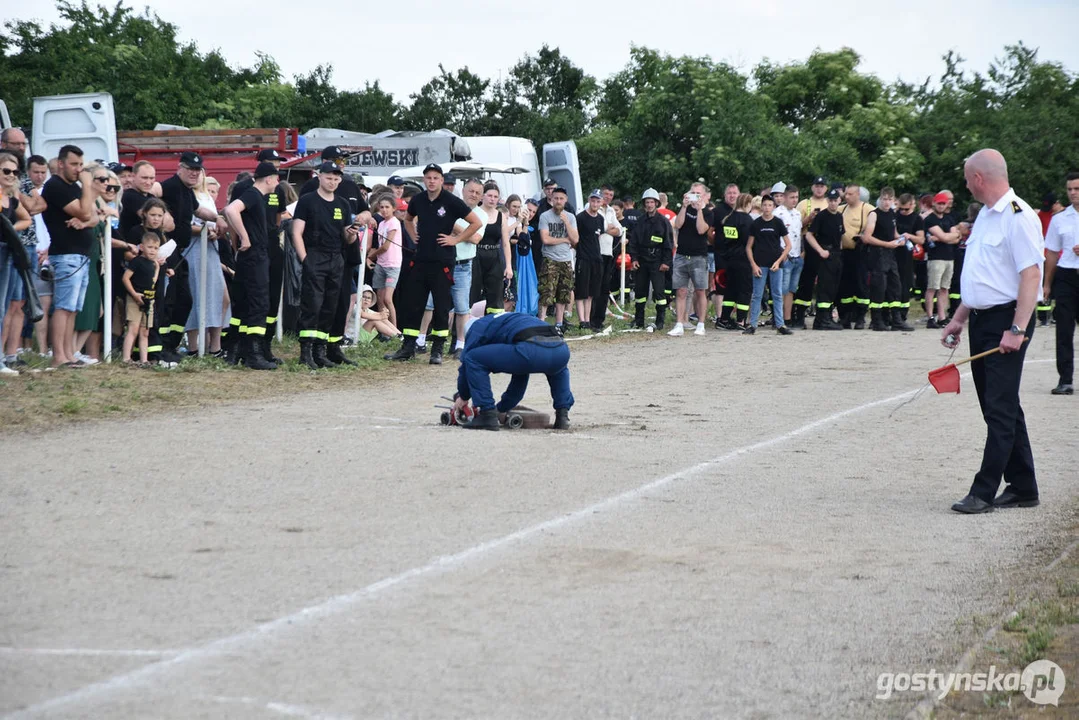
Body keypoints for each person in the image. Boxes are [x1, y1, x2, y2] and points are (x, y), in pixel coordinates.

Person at [943, 149, 1044, 514]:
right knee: (997, 405)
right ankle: (1023, 486)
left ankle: (983, 491)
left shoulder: (1018, 216)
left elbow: (1030, 275)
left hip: (1007, 319)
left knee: (999, 408)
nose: (966, 185)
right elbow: (983, 275)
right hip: (983, 318)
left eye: (968, 178)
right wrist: (959, 316)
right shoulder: (986, 215)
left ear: (980, 178)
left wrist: (1017, 328)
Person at [386, 163, 482, 364]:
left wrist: (455, 239)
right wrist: (414, 236)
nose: (432, 181)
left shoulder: (451, 201)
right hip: (421, 259)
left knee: (441, 305)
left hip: (443, 261)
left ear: (441, 180)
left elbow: (476, 223)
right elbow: (408, 219)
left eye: (435, 178)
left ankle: (437, 349)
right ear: (424, 180)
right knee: (414, 304)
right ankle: (408, 347)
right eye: (428, 178)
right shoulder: (419, 200)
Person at [291, 161, 361, 369]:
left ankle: (320, 352)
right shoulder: (307, 201)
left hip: (336, 258)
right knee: (312, 304)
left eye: (336, 178)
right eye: (328, 177)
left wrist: (351, 234)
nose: (332, 182)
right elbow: (296, 232)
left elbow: (348, 238)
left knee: (330, 306)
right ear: (319, 177)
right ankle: (306, 352)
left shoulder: (342, 203)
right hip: (314, 255)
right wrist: (305, 259)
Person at [452, 311, 574, 431]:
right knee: (558, 369)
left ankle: (486, 414)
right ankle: (562, 416)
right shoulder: (507, 319)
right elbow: (519, 378)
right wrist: (500, 409)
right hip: (561, 350)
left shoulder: (476, 328)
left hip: (530, 350)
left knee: (473, 358)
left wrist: (463, 396)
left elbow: (467, 364)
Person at [40, 145, 97, 369]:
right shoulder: (56, 186)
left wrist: (84, 221)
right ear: (61, 163)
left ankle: (69, 354)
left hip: (81, 255)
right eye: (74, 164)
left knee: (73, 308)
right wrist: (87, 186)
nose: (78, 169)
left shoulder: (74, 187)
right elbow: (84, 210)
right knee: (63, 307)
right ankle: (58, 356)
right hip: (65, 254)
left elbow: (92, 216)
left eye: (81, 165)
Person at [158, 151, 220, 359]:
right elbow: (151, 195)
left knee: (184, 300)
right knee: (169, 301)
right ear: (180, 168)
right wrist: (163, 214)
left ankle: (172, 345)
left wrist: (217, 218)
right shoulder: (170, 185)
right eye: (190, 169)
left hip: (180, 251)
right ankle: (161, 347)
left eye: (197, 170)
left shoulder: (187, 191)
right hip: (166, 249)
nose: (194, 174)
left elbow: (198, 211)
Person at [223, 161, 281, 370]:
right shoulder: (254, 194)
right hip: (255, 255)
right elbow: (230, 210)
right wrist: (245, 237)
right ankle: (254, 354)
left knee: (245, 302)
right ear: (268, 179)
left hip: (253, 256)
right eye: (276, 177)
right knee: (259, 302)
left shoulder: (257, 196)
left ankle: (237, 350)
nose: (277, 182)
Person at [1042, 171, 1079, 396]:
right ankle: (1065, 379)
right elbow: (1053, 253)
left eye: (1077, 189)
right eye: (1070, 189)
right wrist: (1047, 284)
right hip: (1066, 276)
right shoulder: (1059, 219)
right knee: (1064, 330)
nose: (1073, 193)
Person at [183, 171, 227, 356]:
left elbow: (214, 221)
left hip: (211, 248)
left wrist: (215, 232)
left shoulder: (206, 196)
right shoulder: (187, 195)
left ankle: (215, 345)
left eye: (200, 172)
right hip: (193, 249)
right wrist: (201, 231)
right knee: (195, 294)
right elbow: (184, 223)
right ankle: (193, 346)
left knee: (220, 296)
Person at [862, 187, 913, 332]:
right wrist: (887, 244)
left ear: (893, 200)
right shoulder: (874, 214)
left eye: (890, 199)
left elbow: (894, 233)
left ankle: (896, 320)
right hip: (878, 254)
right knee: (879, 287)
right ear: (880, 199)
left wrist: (902, 238)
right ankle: (877, 320)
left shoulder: (892, 213)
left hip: (890, 255)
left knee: (895, 286)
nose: (887, 202)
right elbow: (867, 237)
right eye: (884, 199)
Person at [0, 153, 33, 375]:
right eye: (6, 171)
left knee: (5, 306)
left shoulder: (11, 198)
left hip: (7, 252)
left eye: (15, 172)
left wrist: (11, 230)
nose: (12, 175)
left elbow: (26, 218)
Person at [745, 194, 793, 335]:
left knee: (777, 294)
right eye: (764, 205)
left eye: (769, 205)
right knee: (757, 295)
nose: (767, 208)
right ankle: (752, 325)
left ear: (773, 207)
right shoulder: (756, 224)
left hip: (775, 265)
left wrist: (779, 261)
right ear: (761, 206)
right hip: (760, 264)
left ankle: (780, 325)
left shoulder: (778, 223)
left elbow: (788, 245)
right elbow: (748, 247)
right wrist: (753, 265)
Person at [537, 186, 579, 334]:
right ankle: (540, 323)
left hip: (566, 260)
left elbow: (575, 240)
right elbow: (545, 239)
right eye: (556, 198)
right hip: (550, 259)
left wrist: (566, 223)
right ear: (551, 199)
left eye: (561, 198)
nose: (558, 201)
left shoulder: (570, 217)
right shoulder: (545, 216)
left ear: (566, 200)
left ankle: (559, 324)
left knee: (563, 293)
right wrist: (564, 239)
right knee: (546, 292)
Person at [803, 188, 845, 330]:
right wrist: (820, 250)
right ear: (827, 201)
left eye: (836, 200)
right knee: (824, 288)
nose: (833, 203)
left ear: (840, 201)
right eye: (831, 200)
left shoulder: (839, 216)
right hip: (825, 254)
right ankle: (822, 320)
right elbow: (809, 235)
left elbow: (840, 237)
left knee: (833, 287)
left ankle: (826, 317)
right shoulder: (822, 216)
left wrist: (839, 252)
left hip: (836, 255)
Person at [471, 181, 514, 315]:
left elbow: (506, 243)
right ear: (483, 196)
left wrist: (508, 266)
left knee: (495, 296)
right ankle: (463, 330)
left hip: (494, 256)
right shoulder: (474, 213)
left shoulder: (501, 216)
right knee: (472, 294)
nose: (492, 199)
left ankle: (493, 327)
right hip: (476, 255)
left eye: (495, 197)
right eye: (489, 195)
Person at [793, 176, 831, 326]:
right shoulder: (804, 204)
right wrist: (809, 218)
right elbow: (795, 228)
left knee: (826, 282)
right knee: (806, 282)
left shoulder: (831, 203)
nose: (819, 188)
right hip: (808, 244)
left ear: (826, 188)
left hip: (826, 245)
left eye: (822, 186)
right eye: (817, 185)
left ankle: (823, 317)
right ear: (812, 187)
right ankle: (799, 316)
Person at [715, 193, 754, 330]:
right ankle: (741, 320)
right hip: (744, 259)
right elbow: (749, 241)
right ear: (747, 204)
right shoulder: (747, 220)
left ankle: (724, 319)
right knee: (744, 290)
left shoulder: (728, 219)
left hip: (729, 259)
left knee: (730, 290)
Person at [121, 231, 160, 365]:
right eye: (150, 247)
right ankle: (126, 358)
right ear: (142, 247)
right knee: (133, 328)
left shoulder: (153, 264)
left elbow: (153, 281)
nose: (153, 251)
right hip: (136, 299)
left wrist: (158, 267)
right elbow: (126, 278)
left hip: (149, 300)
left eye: (156, 248)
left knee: (145, 331)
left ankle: (144, 360)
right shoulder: (137, 261)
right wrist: (134, 294)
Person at [837, 184, 873, 329]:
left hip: (861, 252)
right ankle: (845, 316)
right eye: (846, 194)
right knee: (845, 286)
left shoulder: (868, 209)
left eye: (850, 194)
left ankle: (860, 317)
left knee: (861, 285)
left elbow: (875, 226)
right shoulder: (841, 209)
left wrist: (864, 235)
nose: (847, 196)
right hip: (844, 253)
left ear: (858, 194)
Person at [924, 192, 961, 329]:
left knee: (945, 288)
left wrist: (941, 237)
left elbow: (957, 237)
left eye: (943, 203)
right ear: (934, 203)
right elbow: (948, 237)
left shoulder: (949, 219)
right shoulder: (930, 220)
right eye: (938, 203)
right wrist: (946, 237)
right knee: (932, 287)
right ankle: (930, 317)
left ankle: (942, 317)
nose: (940, 206)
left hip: (949, 257)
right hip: (936, 258)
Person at [574, 189, 606, 330]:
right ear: (589, 201)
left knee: (592, 292)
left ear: (601, 203)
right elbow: (574, 238)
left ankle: (588, 319)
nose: (595, 203)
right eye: (593, 200)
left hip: (596, 258)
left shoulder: (600, 219)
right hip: (583, 258)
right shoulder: (580, 217)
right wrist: (579, 250)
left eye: (598, 201)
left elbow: (598, 237)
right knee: (581, 290)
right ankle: (582, 321)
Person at [368, 196, 402, 328]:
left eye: (387, 207)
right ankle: (384, 329)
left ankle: (395, 331)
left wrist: (371, 256)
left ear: (393, 208)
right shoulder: (381, 224)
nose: (384, 210)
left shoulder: (394, 222)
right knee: (380, 299)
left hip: (392, 264)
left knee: (388, 298)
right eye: (381, 207)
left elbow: (386, 246)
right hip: (381, 264)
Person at [895, 193, 925, 324]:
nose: (903, 211)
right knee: (892, 285)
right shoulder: (895, 216)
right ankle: (891, 314)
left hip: (907, 256)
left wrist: (909, 236)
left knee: (905, 285)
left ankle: (903, 314)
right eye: (901, 209)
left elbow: (921, 239)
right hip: (892, 253)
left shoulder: (917, 219)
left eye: (906, 209)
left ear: (913, 205)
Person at [775, 185, 803, 328]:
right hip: (785, 256)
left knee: (791, 290)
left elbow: (799, 234)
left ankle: (787, 318)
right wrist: (781, 253)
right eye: (792, 197)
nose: (794, 200)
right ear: (785, 197)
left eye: (796, 197)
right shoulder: (778, 213)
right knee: (781, 289)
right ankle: (778, 319)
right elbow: (774, 236)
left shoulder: (798, 214)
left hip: (797, 256)